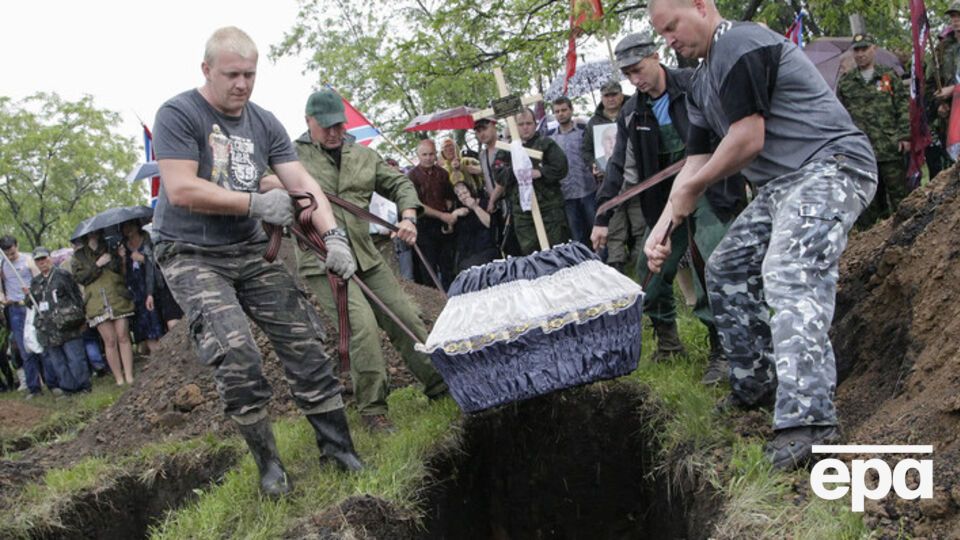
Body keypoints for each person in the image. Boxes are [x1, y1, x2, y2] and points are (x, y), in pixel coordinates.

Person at [647, 0, 877, 469]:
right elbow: (694, 164)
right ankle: (756, 383)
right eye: (661, 33)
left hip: (832, 165)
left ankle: (809, 421)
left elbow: (747, 139)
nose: (669, 39)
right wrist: (662, 230)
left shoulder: (740, 42)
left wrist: (695, 184)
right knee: (727, 265)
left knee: (788, 270)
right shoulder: (699, 83)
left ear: (701, 6)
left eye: (672, 25)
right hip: (779, 188)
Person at [152, 26, 362, 496]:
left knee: (305, 340)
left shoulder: (263, 122)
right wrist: (253, 203)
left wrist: (333, 238)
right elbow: (180, 188)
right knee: (238, 353)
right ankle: (270, 467)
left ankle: (339, 450)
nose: (242, 84)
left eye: (250, 74)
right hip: (191, 253)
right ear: (207, 70)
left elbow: (302, 183)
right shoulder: (179, 113)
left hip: (249, 250)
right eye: (232, 74)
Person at [293, 89, 447, 432]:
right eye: (326, 126)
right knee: (361, 328)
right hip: (324, 260)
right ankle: (373, 410)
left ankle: (441, 386)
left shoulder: (362, 156)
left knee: (406, 316)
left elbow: (399, 184)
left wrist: (408, 217)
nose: (334, 133)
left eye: (339, 126)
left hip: (366, 254)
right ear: (309, 122)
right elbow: (266, 185)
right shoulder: (292, 157)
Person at [593, 32, 747, 373]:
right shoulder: (633, 113)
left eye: (638, 70)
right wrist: (603, 214)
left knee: (710, 261)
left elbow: (732, 131)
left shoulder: (694, 84)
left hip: (709, 189)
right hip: (663, 202)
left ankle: (722, 347)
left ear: (656, 55)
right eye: (628, 75)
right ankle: (668, 342)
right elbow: (620, 166)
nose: (635, 80)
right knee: (650, 269)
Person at [837, 34, 911, 227]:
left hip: (889, 146)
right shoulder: (846, 83)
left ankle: (906, 232)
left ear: (874, 49)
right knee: (866, 202)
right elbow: (840, 117)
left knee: (899, 196)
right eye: (857, 50)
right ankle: (871, 240)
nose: (860, 54)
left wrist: (904, 135)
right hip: (861, 152)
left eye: (864, 49)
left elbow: (902, 107)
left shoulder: (888, 76)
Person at [496, 108, 571, 254]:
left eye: (529, 123)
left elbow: (561, 167)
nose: (525, 127)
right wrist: (517, 169)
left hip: (550, 209)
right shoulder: (506, 150)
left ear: (535, 124)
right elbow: (498, 174)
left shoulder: (546, 144)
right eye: (521, 124)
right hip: (523, 213)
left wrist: (540, 172)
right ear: (514, 126)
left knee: (559, 249)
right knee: (532, 253)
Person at [72, 230, 136, 386]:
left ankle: (129, 374)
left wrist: (119, 257)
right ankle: (118, 378)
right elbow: (81, 278)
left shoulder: (110, 246)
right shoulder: (78, 256)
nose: (93, 235)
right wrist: (97, 264)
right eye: (90, 233)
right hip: (96, 302)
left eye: (95, 232)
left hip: (117, 297)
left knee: (123, 336)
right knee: (109, 340)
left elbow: (119, 272)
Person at [0, 235, 60, 398]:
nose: (11, 256)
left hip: (32, 307)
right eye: (8, 253)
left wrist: (32, 292)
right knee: (26, 350)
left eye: (13, 252)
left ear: (16, 246)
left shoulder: (28, 260)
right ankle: (34, 388)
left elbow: (39, 280)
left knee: (43, 345)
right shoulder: (3, 264)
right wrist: (3, 297)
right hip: (15, 310)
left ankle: (52, 383)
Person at [28, 247, 91, 395]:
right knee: (58, 361)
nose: (42, 262)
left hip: (67, 324)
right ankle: (68, 388)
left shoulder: (63, 275)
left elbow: (75, 296)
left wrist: (81, 317)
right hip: (48, 328)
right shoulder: (35, 282)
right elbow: (31, 303)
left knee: (75, 358)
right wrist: (27, 295)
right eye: (38, 260)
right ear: (35, 263)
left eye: (44, 258)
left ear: (49, 258)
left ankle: (84, 386)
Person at [408, 139, 457, 288]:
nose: (428, 158)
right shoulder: (412, 176)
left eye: (431, 154)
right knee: (428, 269)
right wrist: (441, 215)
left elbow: (449, 197)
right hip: (424, 226)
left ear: (436, 154)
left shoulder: (442, 173)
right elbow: (417, 205)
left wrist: (447, 216)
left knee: (447, 265)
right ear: (418, 155)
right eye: (424, 154)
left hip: (442, 224)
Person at [548, 96, 597, 246]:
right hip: (566, 193)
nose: (561, 114)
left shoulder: (584, 131)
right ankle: (584, 264)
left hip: (588, 188)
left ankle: (605, 262)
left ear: (571, 110)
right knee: (577, 234)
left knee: (596, 228)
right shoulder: (550, 138)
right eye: (557, 111)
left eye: (564, 110)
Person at [120, 220, 164, 354]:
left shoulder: (147, 242)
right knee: (144, 327)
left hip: (151, 288)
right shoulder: (123, 248)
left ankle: (162, 353)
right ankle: (153, 354)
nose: (129, 230)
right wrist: (122, 260)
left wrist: (143, 259)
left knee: (156, 322)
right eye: (125, 228)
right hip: (134, 292)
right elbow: (123, 274)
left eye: (131, 226)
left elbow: (157, 264)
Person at [927, 1, 960, 177]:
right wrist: (940, 102)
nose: (956, 21)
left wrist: (954, 89)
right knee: (952, 168)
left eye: (959, 16)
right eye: (953, 17)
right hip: (950, 117)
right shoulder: (943, 48)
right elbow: (931, 81)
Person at [452, 181, 500, 271]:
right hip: (467, 252)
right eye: (459, 195)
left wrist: (475, 207)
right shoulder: (460, 210)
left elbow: (489, 223)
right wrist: (454, 214)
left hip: (486, 248)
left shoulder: (484, 203)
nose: (463, 197)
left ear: (471, 191)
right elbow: (448, 229)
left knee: (470, 266)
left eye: (465, 193)